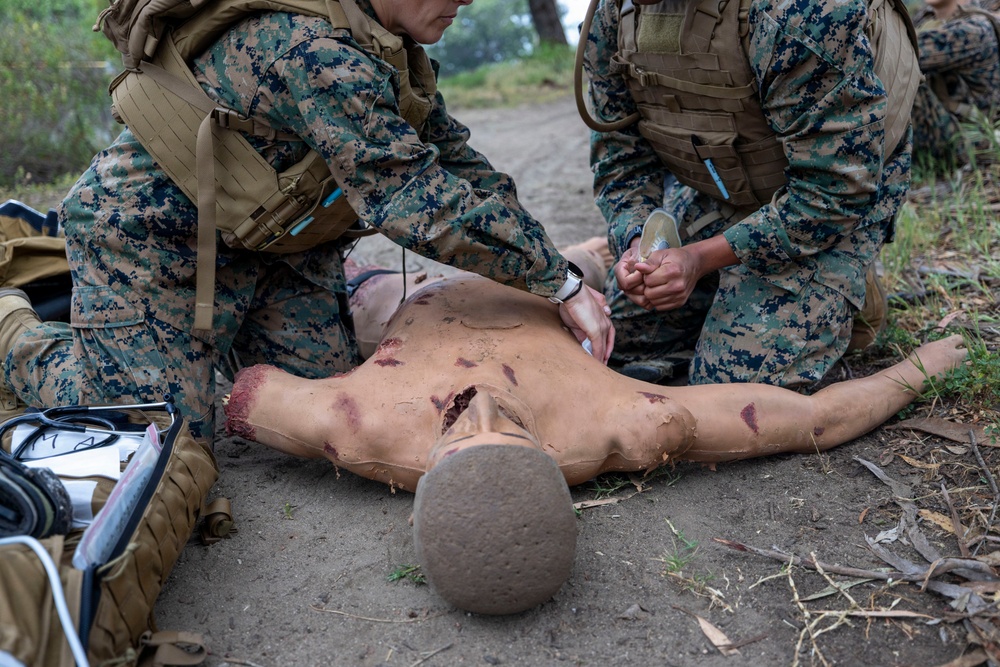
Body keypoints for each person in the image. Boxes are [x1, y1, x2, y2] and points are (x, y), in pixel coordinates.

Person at [0, 0, 613, 440]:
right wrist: (558, 283)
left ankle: (187, 343)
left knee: (331, 404)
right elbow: (412, 198)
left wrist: (556, 272)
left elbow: (463, 170)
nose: (467, 0)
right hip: (153, 241)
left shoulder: (391, 51)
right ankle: (14, 332)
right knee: (163, 437)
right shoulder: (313, 50)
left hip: (275, 246)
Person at [222, 254, 968, 614]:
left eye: (460, 428)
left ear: (423, 471)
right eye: (503, 428)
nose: (479, 403)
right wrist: (925, 366)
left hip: (407, 279)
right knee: (605, 259)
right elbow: (815, 420)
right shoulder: (623, 426)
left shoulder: (356, 427)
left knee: (368, 290)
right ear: (553, 461)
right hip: (542, 276)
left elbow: (239, 391)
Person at [575, 0, 919, 387]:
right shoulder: (612, 15)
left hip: (831, 204)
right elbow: (621, 163)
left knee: (729, 391)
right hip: (725, 185)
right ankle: (728, 298)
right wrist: (639, 243)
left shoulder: (799, 10)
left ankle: (850, 286)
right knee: (615, 341)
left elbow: (834, 192)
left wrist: (699, 259)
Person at [910, 0, 1000, 170]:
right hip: (947, 128)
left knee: (904, 78)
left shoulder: (973, 29)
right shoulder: (927, 19)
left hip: (969, 143)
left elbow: (901, 54)